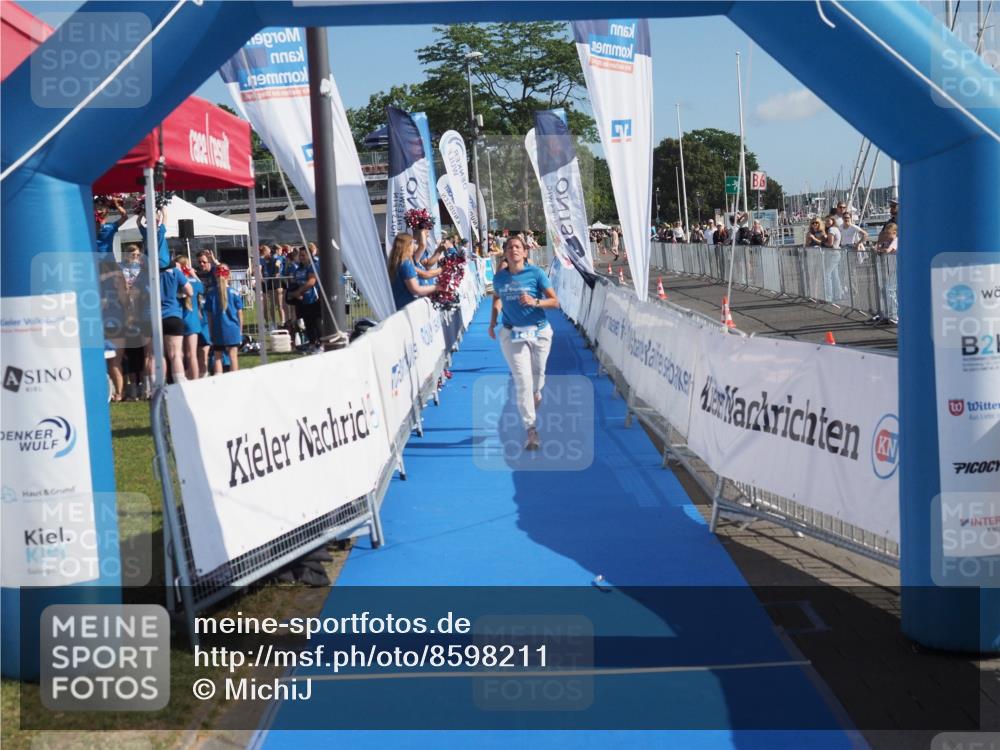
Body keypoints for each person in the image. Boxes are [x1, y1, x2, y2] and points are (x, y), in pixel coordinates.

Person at [488, 236, 559, 451]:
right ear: (505, 253)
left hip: (539, 332)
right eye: (509, 247)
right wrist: (493, 321)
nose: (514, 250)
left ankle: (536, 392)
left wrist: (535, 301)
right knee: (523, 381)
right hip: (512, 334)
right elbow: (496, 297)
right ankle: (531, 430)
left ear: (525, 252)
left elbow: (555, 302)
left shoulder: (536, 273)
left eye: (517, 247)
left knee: (537, 379)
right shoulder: (500, 278)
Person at [159, 256, 194, 382]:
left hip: (157, 317)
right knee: (175, 355)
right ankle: (179, 383)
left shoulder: (152, 273)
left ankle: (158, 385)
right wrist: (179, 293)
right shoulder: (175, 272)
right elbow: (190, 291)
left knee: (159, 355)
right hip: (173, 314)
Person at [204, 263, 244, 373]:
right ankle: (235, 380)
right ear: (229, 275)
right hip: (233, 329)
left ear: (215, 275)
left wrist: (211, 332)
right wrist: (240, 331)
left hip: (218, 329)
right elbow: (240, 314)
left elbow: (209, 317)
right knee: (233, 357)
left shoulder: (211, 294)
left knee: (217, 358)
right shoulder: (235, 293)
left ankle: (218, 379)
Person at [387, 232, 438, 311]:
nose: (414, 246)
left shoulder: (397, 262)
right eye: (412, 243)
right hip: (407, 307)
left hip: (399, 306)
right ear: (407, 246)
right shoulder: (405, 263)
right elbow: (415, 289)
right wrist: (437, 287)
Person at [176, 255, 205, 380]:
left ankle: (182, 378)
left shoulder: (177, 281)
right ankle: (195, 379)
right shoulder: (194, 282)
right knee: (192, 355)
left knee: (179, 354)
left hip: (180, 319)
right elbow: (202, 288)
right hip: (193, 321)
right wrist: (194, 274)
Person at [286, 247, 322, 350]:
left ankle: (322, 344)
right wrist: (292, 293)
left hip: (313, 299)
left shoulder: (313, 266)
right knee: (307, 323)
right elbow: (295, 283)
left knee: (317, 323)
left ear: (309, 256)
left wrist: (298, 291)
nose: (301, 257)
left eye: (303, 255)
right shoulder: (298, 269)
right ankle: (312, 344)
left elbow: (311, 282)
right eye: (300, 255)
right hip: (302, 301)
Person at [137, 202, 170, 271]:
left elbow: (138, 221)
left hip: (150, 263)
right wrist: (161, 206)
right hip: (162, 262)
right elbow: (165, 216)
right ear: (157, 221)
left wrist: (142, 211)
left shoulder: (146, 233)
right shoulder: (160, 231)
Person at [822, 216, 844, 301]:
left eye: (829, 221)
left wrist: (822, 243)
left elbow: (830, 244)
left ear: (833, 221)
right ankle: (837, 295)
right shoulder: (836, 229)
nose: (827, 222)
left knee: (827, 275)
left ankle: (828, 296)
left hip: (832, 254)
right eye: (826, 221)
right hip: (836, 253)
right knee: (835, 275)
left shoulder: (831, 230)